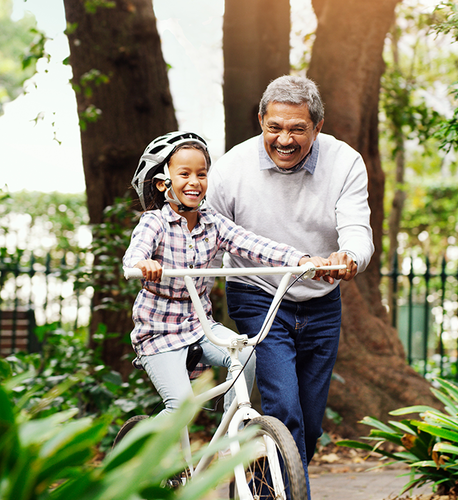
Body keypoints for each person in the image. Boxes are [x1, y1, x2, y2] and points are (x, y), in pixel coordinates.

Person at [206, 75, 374, 494]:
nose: (285, 139)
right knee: (285, 408)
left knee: (310, 426)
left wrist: (349, 258)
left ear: (317, 126)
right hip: (257, 292)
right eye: (274, 127)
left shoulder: (345, 161)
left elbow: (356, 229)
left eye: (297, 129)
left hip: (320, 299)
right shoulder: (230, 170)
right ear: (260, 119)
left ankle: (263, 484)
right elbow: (204, 240)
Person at [123, 130, 330, 417]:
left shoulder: (213, 224)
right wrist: (143, 264)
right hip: (159, 331)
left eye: (202, 174)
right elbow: (134, 256)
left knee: (245, 352)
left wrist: (302, 259)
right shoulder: (154, 223)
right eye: (184, 174)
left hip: (199, 326)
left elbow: (255, 245)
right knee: (180, 408)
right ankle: (138, 458)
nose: (194, 182)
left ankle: (230, 437)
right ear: (162, 183)